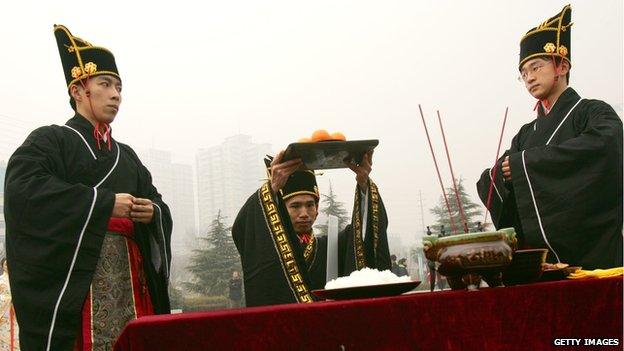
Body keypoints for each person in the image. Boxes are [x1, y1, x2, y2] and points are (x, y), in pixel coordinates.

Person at [3, 25, 173, 350]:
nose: (116, 95)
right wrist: (102, 203)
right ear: (78, 91)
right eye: (105, 84)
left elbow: (157, 203)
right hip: (79, 286)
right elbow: (23, 189)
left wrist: (153, 212)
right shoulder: (50, 140)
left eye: (119, 88)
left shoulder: (128, 157)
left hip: (131, 283)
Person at [477, 5, 622, 269]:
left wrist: (525, 166)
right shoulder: (524, 135)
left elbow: (605, 146)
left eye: (536, 67)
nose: (529, 78)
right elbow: (501, 179)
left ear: (562, 65)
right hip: (543, 267)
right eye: (523, 74)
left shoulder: (593, 112)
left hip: (596, 260)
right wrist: (496, 176)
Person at [232, 150, 391, 306]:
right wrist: (272, 189)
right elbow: (244, 229)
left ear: (317, 209)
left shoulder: (332, 246)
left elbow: (365, 233)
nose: (304, 213)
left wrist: (364, 184)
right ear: (280, 210)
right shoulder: (270, 250)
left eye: (310, 205)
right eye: (295, 206)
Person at [0, 259, 19, 351]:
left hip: (16, 313)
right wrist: (7, 299)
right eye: (5, 264)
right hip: (4, 314)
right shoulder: (0, 280)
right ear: (2, 266)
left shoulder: (17, 281)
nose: (7, 266)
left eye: (9, 264)